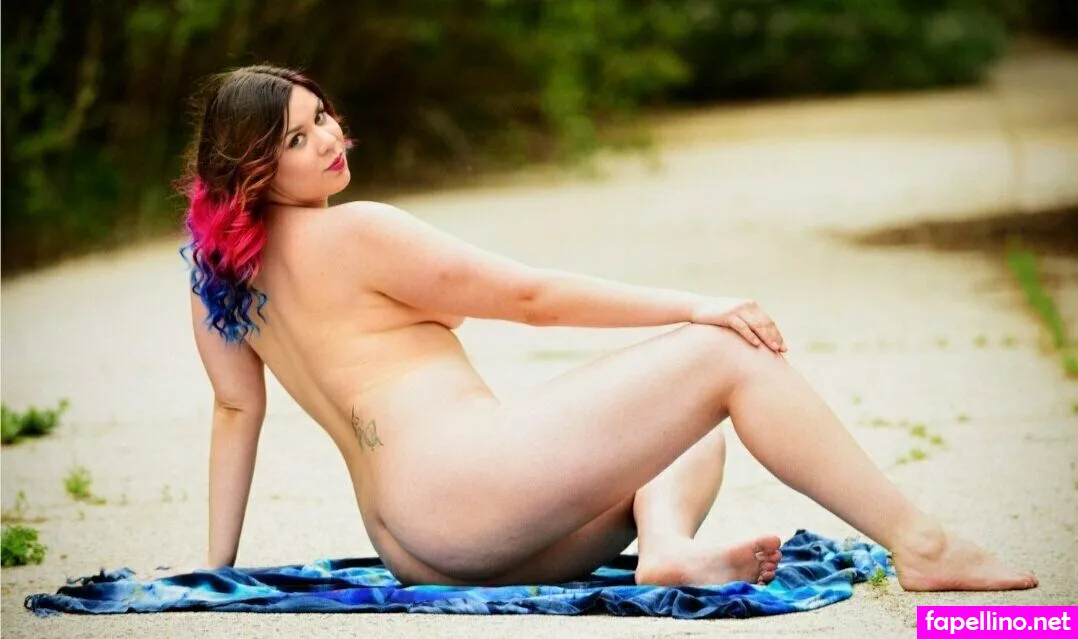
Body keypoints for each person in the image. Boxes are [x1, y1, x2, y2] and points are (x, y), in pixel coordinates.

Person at [180, 65, 1037, 590]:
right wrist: (695, 307)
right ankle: (921, 543)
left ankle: (667, 547)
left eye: (322, 115)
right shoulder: (358, 232)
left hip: (414, 543)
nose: (329, 138)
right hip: (471, 489)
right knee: (724, 355)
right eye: (297, 139)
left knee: (683, 426)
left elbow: (235, 412)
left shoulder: (216, 272)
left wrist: (215, 574)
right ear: (253, 166)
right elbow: (530, 298)